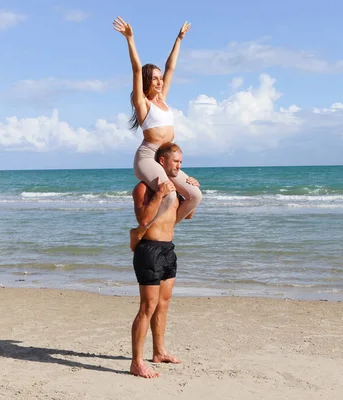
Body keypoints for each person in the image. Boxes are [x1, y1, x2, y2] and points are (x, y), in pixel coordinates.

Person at [113, 16, 202, 251]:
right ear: (146, 82)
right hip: (148, 157)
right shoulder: (143, 103)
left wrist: (179, 39)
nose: (160, 82)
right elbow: (135, 68)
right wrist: (130, 39)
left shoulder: (163, 100)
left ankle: (167, 228)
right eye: (155, 79)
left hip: (166, 157)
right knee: (170, 196)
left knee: (195, 196)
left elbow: (172, 66)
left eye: (161, 78)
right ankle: (140, 232)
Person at [130, 142, 200, 378]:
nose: (179, 166)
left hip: (168, 250)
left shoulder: (175, 191)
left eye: (181, 162)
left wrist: (192, 191)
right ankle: (136, 362)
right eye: (176, 162)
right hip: (148, 249)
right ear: (161, 162)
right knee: (147, 307)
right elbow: (143, 219)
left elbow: (187, 215)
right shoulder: (143, 188)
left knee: (163, 304)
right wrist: (159, 194)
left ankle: (159, 351)